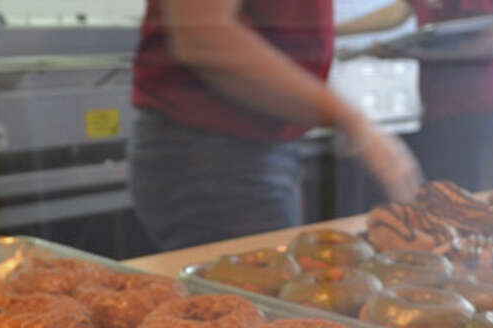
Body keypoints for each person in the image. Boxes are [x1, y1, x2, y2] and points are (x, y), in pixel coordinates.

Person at [129, 0, 422, 251]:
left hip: (258, 149)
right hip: (210, 152)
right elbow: (205, 36)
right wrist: (352, 122)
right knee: (257, 311)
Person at [335, 0, 493, 191]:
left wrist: (412, 52)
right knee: (435, 189)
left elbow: (488, 43)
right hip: (437, 107)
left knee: (455, 190)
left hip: (472, 103)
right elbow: (400, 11)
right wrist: (332, 31)